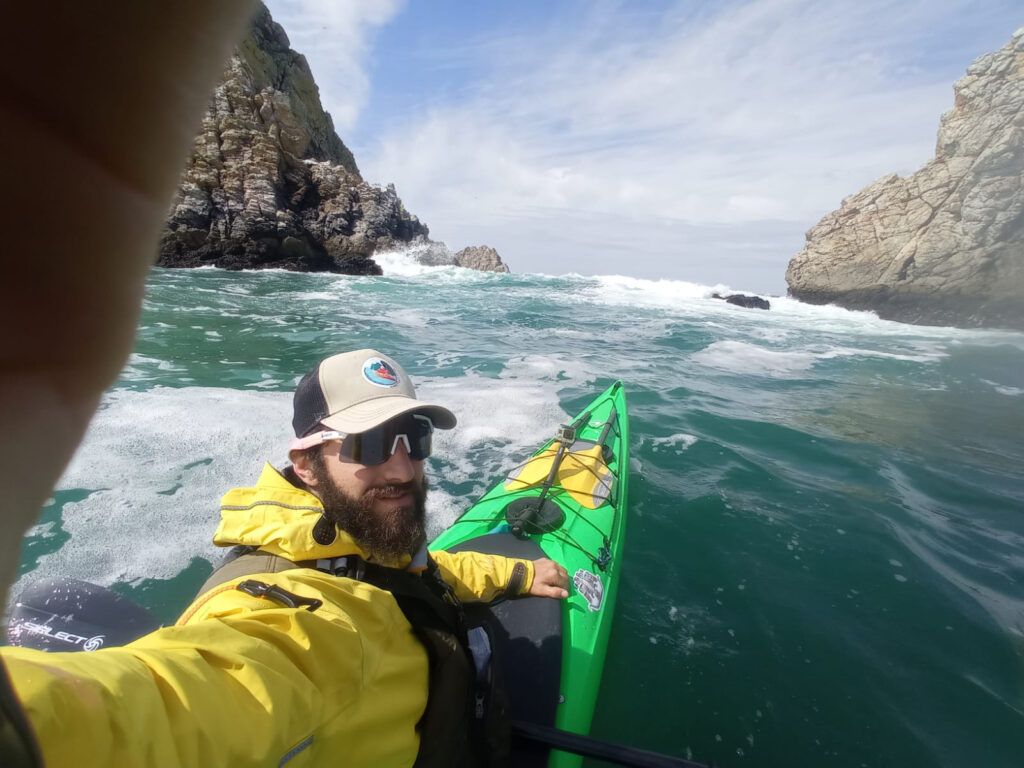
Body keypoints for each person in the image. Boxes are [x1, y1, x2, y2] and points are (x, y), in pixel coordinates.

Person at [1, 348, 570, 766]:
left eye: (414, 439)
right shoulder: (299, 617)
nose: (402, 469)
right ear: (306, 465)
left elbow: (417, 573)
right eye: (370, 444)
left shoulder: (354, 538)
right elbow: (192, 697)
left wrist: (516, 571)